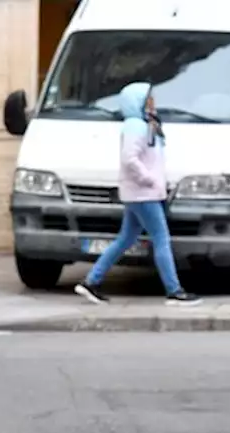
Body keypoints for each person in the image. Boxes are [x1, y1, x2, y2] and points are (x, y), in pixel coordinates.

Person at [74, 82, 200, 306]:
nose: (153, 103)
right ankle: (174, 291)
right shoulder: (136, 126)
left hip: (141, 193)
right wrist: (149, 180)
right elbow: (129, 158)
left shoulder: (144, 124)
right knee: (161, 239)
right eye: (149, 99)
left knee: (126, 239)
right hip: (144, 193)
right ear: (138, 102)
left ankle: (91, 282)